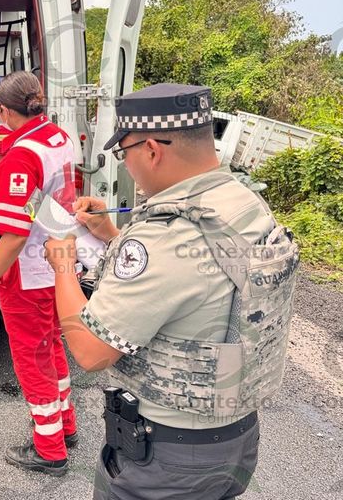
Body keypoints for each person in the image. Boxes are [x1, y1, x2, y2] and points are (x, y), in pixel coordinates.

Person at [43, 83, 299, 499]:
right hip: (235, 440)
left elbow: (91, 352)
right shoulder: (241, 201)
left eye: (124, 154)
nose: (126, 166)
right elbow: (205, 278)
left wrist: (62, 267)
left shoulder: (163, 239)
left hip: (168, 458)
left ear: (151, 149)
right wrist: (111, 235)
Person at [0, 71, 79, 477]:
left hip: (26, 272)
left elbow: (13, 236)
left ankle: (50, 450)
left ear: (3, 111)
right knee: (51, 346)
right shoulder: (58, 137)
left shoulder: (21, 156)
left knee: (32, 357)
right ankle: (65, 426)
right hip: (56, 266)